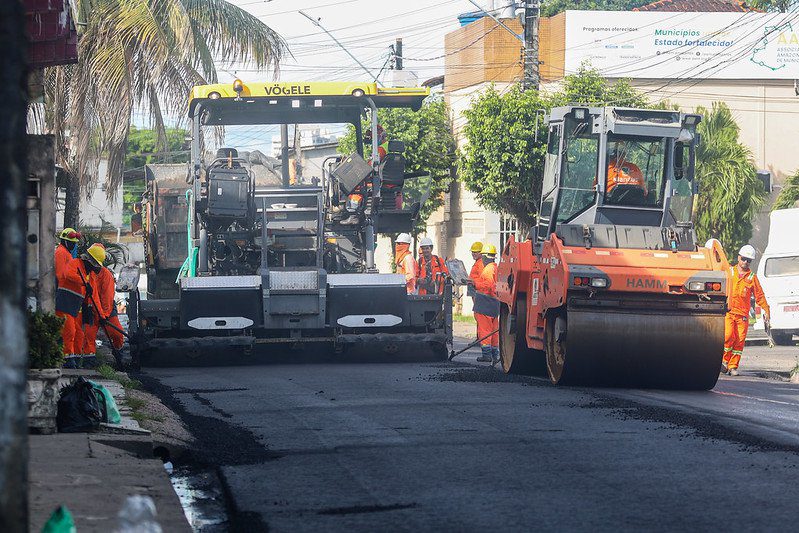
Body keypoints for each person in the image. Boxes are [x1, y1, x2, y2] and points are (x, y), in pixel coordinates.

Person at [723, 244, 770, 376]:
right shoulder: (729, 272)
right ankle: (723, 362)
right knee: (728, 336)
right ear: (738, 257)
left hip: (742, 316)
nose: (745, 262)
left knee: (739, 341)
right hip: (729, 312)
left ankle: (732, 366)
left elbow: (759, 295)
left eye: (748, 260)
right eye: (743, 259)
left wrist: (766, 310)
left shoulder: (752, 277)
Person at [57, 243, 106, 368]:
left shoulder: (90, 277)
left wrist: (101, 316)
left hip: (75, 308)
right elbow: (67, 274)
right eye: (94, 265)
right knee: (69, 331)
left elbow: (94, 297)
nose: (95, 269)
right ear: (89, 260)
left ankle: (76, 359)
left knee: (79, 334)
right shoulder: (75, 264)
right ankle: (67, 359)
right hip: (64, 303)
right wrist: (83, 283)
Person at [82, 264, 125, 367]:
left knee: (117, 334)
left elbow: (107, 298)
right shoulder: (87, 273)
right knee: (88, 335)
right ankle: (89, 360)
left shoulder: (107, 276)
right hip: (91, 309)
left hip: (107, 310)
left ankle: (118, 353)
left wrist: (104, 315)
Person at [55, 228, 82, 357]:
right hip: (63, 296)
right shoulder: (61, 253)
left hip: (68, 297)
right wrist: (81, 280)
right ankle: (67, 357)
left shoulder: (66, 253)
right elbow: (61, 275)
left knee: (72, 329)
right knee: (68, 329)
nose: (73, 245)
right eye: (71, 242)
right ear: (64, 241)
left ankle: (71, 356)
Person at [472, 243, 499, 363]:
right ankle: (494, 354)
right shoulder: (495, 267)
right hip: (494, 303)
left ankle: (486, 355)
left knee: (485, 330)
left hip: (485, 303)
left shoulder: (488, 269)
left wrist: (474, 284)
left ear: (484, 256)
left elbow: (488, 285)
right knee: (494, 330)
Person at [468, 241, 484, 341]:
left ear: (481, 253)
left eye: (476, 252)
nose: (473, 254)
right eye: (473, 252)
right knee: (477, 314)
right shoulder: (478, 262)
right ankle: (479, 337)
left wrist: (472, 281)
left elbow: (482, 279)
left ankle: (481, 338)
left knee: (479, 315)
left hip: (477, 290)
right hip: (474, 290)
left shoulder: (481, 263)